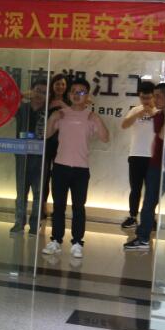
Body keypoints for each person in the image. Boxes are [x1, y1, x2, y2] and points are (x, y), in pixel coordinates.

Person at [41, 77, 110, 259]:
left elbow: (105, 138)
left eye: (81, 92)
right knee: (58, 206)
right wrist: (52, 118)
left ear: (87, 95)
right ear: (69, 94)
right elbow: (46, 135)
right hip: (60, 167)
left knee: (79, 207)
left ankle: (77, 242)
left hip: (80, 169)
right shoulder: (62, 114)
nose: (76, 95)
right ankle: (56, 240)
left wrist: (97, 118)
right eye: (73, 92)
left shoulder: (90, 116)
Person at [123, 83, 165, 252]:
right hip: (143, 157)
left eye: (156, 96)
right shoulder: (144, 112)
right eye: (146, 97)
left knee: (151, 198)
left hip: (160, 161)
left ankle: (145, 230)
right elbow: (125, 125)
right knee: (140, 193)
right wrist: (140, 113)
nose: (151, 100)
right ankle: (137, 223)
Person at [12, 79, 47, 235]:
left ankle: (34, 225)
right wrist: (20, 95)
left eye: (44, 93)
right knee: (21, 192)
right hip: (22, 155)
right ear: (31, 91)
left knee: (38, 193)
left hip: (41, 157)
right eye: (38, 90)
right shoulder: (22, 108)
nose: (40, 95)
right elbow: (5, 103)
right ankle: (19, 223)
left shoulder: (48, 111)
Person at [119, 81, 156, 229]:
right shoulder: (135, 110)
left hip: (153, 157)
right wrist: (137, 114)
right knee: (135, 189)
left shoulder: (159, 112)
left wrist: (153, 114)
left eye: (148, 98)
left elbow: (164, 131)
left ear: (154, 96)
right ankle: (133, 217)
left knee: (151, 191)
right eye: (142, 98)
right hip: (135, 155)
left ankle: (150, 218)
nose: (145, 101)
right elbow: (124, 125)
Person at [40, 73, 70, 219]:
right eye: (57, 84)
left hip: (63, 145)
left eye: (63, 84)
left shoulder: (69, 102)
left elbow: (74, 116)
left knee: (59, 178)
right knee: (44, 177)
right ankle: (42, 207)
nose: (60, 86)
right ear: (52, 85)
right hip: (46, 143)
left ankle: (58, 209)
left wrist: (62, 105)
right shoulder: (46, 100)